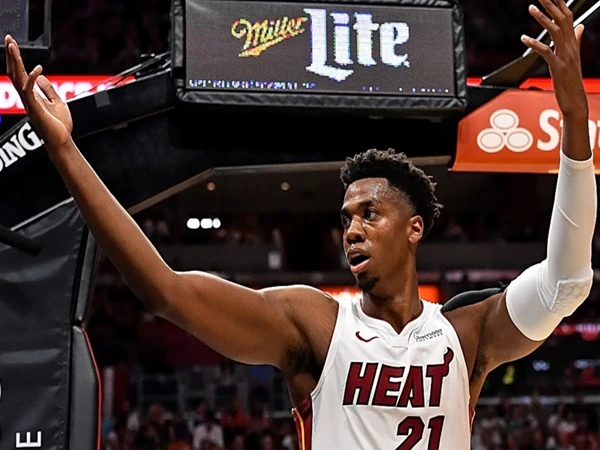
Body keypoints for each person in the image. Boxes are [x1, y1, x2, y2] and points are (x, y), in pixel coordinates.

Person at [4, 0, 595, 447]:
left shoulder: (465, 334)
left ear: (414, 228)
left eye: (370, 214)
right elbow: (166, 293)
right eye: (346, 219)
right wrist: (66, 153)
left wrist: (574, 119)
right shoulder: (315, 323)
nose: (352, 230)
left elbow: (566, 283)